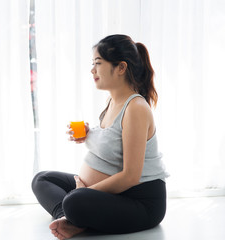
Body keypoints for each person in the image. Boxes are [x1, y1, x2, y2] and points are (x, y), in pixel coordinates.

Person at [31, 34, 169, 240]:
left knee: (73, 201)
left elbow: (131, 176)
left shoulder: (136, 108)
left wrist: (83, 192)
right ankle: (69, 219)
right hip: (104, 194)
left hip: (139, 201)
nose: (92, 70)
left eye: (98, 63)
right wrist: (89, 135)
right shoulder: (112, 102)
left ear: (121, 68)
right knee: (42, 179)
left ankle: (73, 213)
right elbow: (112, 141)